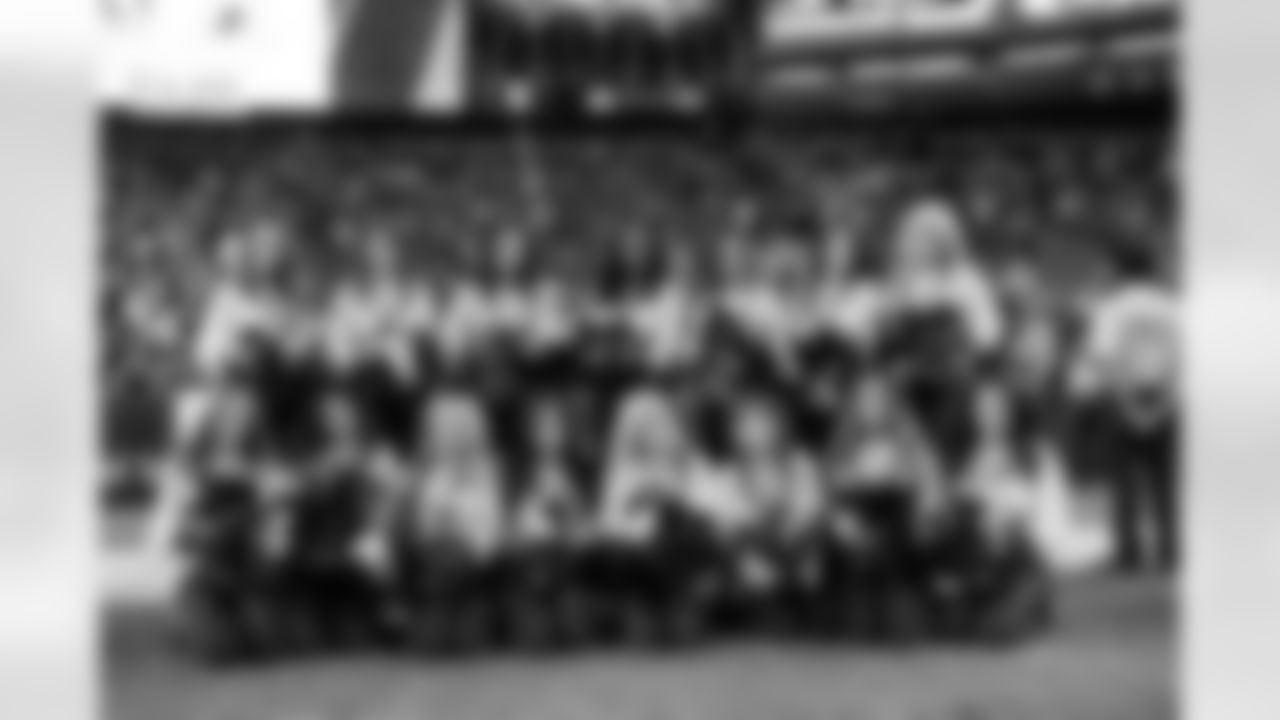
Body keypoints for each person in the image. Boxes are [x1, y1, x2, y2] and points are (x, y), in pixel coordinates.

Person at [1078, 247, 1179, 572]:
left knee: (1125, 483)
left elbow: (1106, 359)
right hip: (1165, 392)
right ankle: (1171, 549)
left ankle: (1128, 553)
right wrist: (1166, 404)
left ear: (1121, 272)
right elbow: (1183, 358)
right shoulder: (1172, 306)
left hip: (1125, 393)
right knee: (1167, 481)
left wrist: (1127, 407)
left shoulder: (1113, 308)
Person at [396, 390, 509, 653]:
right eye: (445, 428)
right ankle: (433, 617)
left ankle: (450, 617)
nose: (453, 435)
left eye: (460, 427)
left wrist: (468, 539)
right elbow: (422, 525)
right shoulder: (426, 471)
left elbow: (490, 525)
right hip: (435, 556)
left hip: (471, 554)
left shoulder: (487, 469)